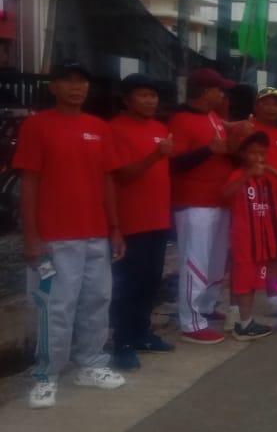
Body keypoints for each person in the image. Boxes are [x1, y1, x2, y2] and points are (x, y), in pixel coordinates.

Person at [16, 62, 127, 409]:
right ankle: (45, 376)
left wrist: (114, 228)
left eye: (82, 82)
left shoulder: (98, 128)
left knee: (97, 300)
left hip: (95, 234)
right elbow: (29, 183)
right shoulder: (37, 126)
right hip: (55, 237)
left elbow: (107, 180)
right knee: (55, 307)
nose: (77, 87)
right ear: (53, 87)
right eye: (68, 81)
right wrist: (32, 236)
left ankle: (90, 363)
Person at [108, 73, 175, 371]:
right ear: (126, 99)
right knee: (127, 286)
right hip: (130, 222)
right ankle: (122, 342)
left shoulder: (160, 128)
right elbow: (122, 176)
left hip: (157, 220)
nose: (150, 101)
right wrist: (155, 155)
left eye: (153, 95)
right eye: (143, 95)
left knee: (150, 282)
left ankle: (141, 334)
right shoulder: (114, 129)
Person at [168, 68, 240, 344]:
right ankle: (191, 322)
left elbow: (223, 149)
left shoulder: (212, 117)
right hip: (194, 202)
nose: (222, 94)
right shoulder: (181, 120)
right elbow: (174, 163)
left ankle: (207, 306)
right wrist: (209, 150)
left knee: (215, 260)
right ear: (204, 92)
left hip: (218, 199)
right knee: (195, 262)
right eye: (218, 89)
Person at [221, 132, 277, 340]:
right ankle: (243, 323)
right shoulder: (238, 175)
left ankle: (246, 321)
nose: (259, 158)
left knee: (252, 283)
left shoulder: (267, 179)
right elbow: (225, 194)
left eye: (263, 153)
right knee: (243, 282)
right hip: (244, 241)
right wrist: (247, 174)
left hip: (263, 242)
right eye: (253, 153)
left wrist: (268, 168)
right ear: (243, 154)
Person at [251, 87, 277, 316]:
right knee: (248, 256)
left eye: (276, 104)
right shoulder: (246, 130)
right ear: (256, 106)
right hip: (253, 205)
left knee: (275, 254)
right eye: (266, 103)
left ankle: (273, 297)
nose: (271, 108)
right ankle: (239, 306)